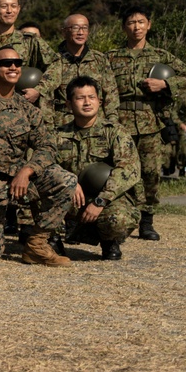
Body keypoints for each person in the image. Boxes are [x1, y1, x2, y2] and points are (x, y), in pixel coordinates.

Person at [0, 46, 77, 267]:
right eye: (5, 63)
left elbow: (47, 147)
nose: (12, 67)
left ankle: (37, 244)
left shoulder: (28, 110)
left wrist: (26, 172)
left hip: (17, 183)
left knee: (64, 180)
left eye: (17, 63)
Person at [107, 5, 186, 240]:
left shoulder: (160, 55)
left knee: (150, 173)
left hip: (150, 122)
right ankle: (117, 216)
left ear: (149, 25)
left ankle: (147, 220)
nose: (136, 27)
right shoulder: (111, 57)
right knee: (119, 170)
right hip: (119, 122)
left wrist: (165, 85)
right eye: (131, 22)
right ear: (124, 27)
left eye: (141, 22)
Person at [53, 76, 141, 260]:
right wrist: (69, 182)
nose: (87, 102)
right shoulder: (58, 135)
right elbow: (44, 164)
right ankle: (51, 240)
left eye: (91, 97)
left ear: (99, 102)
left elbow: (128, 169)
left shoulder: (115, 132)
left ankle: (109, 240)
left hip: (104, 200)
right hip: (70, 197)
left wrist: (101, 201)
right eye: (80, 98)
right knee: (35, 191)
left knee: (117, 219)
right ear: (69, 104)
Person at [35, 14, 118, 128]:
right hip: (64, 125)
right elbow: (47, 98)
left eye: (84, 28)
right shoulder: (54, 61)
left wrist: (111, 122)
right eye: (75, 28)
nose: (80, 32)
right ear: (64, 32)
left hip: (96, 124)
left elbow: (111, 93)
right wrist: (49, 129)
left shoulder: (99, 59)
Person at [0, 0, 57, 80]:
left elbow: (55, 65)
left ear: (18, 9)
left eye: (13, 6)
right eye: (4, 6)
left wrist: (40, 89)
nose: (9, 11)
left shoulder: (30, 41)